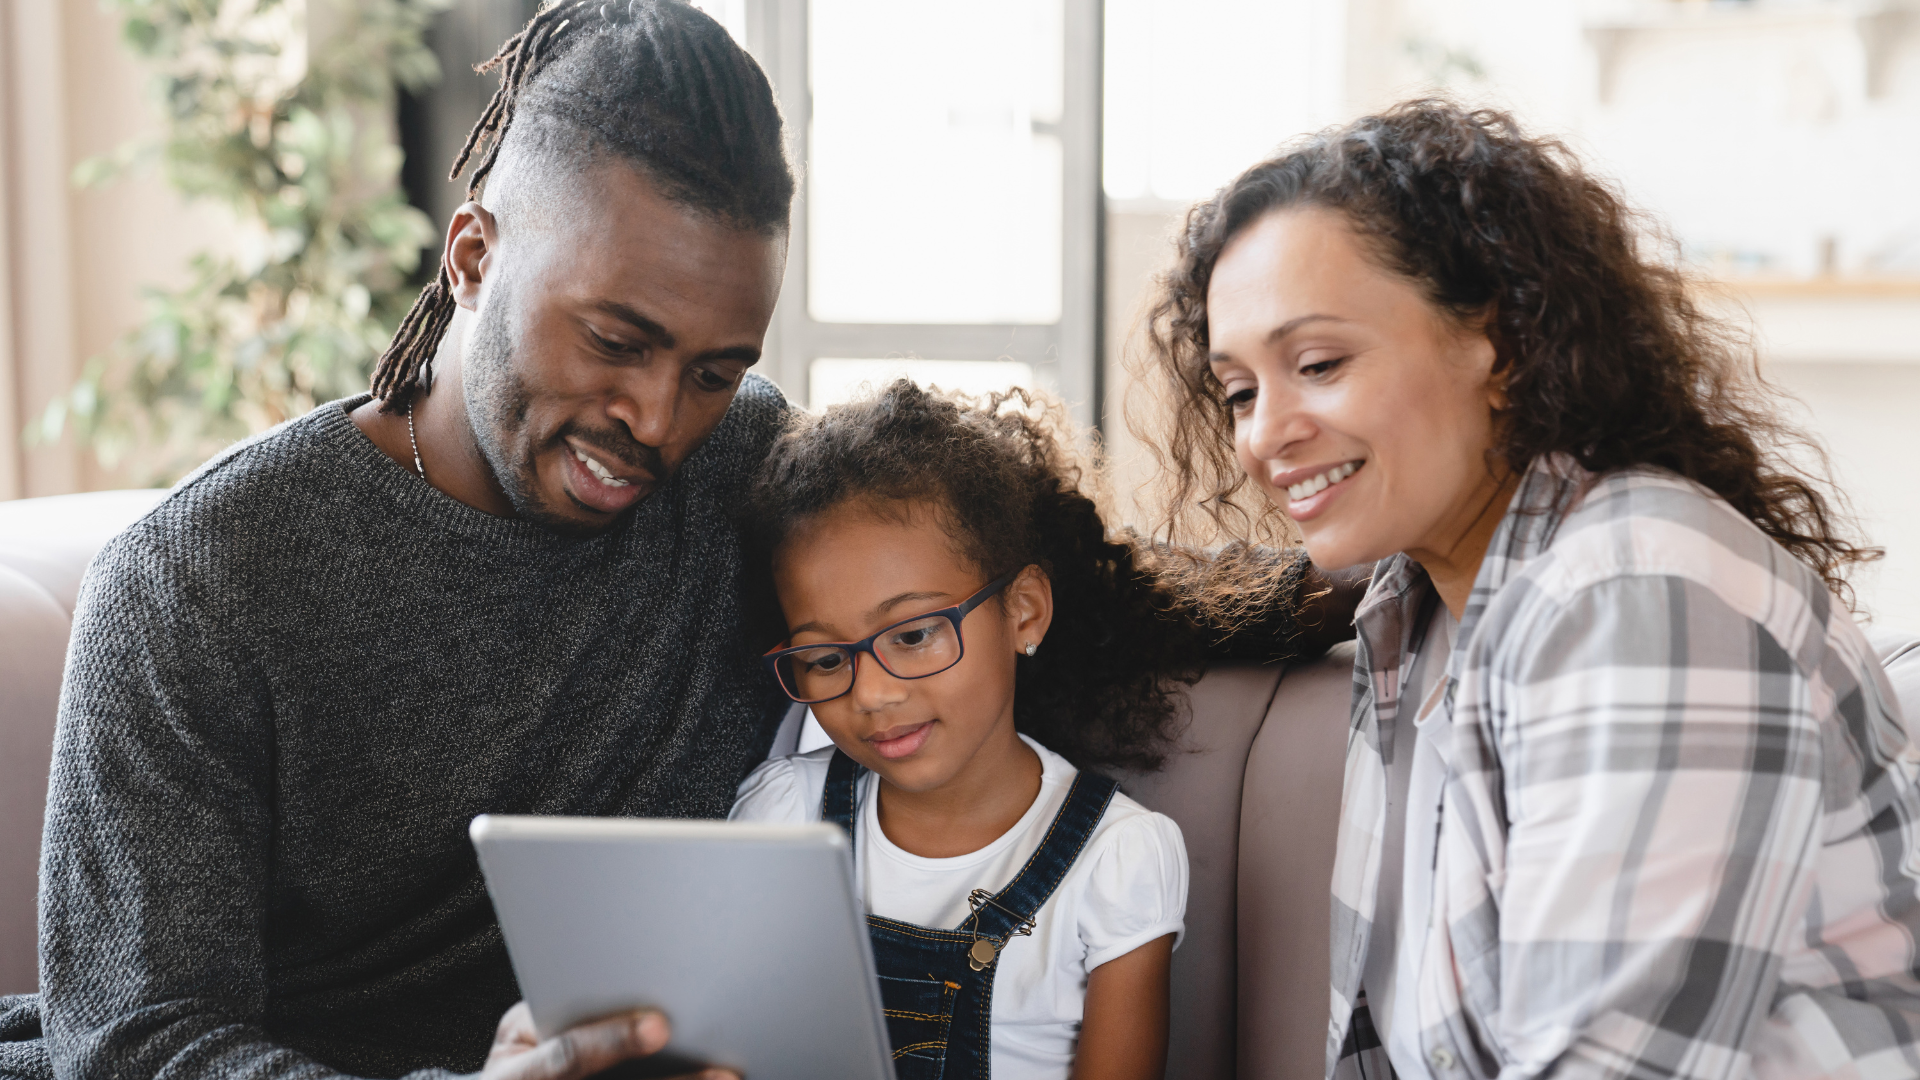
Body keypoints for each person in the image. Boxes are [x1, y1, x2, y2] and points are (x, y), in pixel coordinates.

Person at [0, 6, 1350, 1080]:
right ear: (471, 255)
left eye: (713, 368)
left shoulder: (738, 471)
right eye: (616, 340)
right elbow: (133, 1039)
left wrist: (1326, 582)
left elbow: (987, 574)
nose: (655, 423)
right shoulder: (206, 581)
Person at [1137, 99, 1920, 1080]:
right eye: (1241, 390)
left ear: (1499, 344)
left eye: (1319, 364)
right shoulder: (1412, 614)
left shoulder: (1640, 593)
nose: (1262, 435)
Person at [730, 381, 1197, 1080]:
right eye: (827, 659)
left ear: (1024, 612)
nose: (875, 693)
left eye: (915, 634)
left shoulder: (1117, 858)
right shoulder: (784, 815)